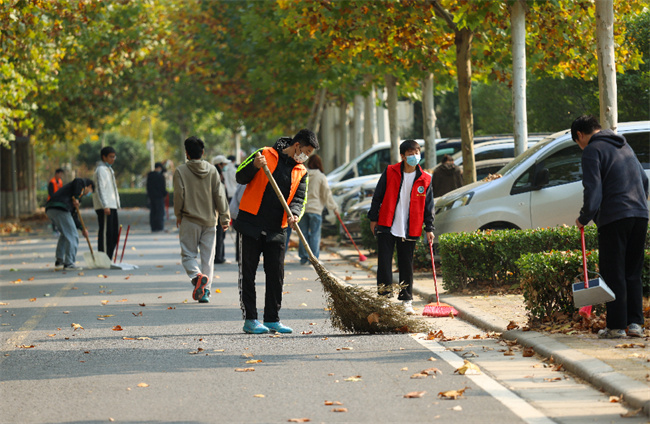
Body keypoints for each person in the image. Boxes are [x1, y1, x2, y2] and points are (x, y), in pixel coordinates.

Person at [572, 115, 649, 339]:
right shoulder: (624, 145)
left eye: (578, 142)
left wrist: (584, 217)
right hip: (640, 215)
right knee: (632, 272)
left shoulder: (591, 151)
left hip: (614, 217)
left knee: (613, 272)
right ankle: (635, 324)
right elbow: (644, 181)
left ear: (580, 135)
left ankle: (616, 327)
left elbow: (593, 189)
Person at [235, 129, 317, 334]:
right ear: (297, 145)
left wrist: (295, 215)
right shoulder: (264, 154)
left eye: (309, 154)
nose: (306, 157)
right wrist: (254, 166)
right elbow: (240, 176)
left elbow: (300, 199)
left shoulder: (301, 172)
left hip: (277, 229)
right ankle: (250, 319)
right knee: (248, 274)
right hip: (251, 224)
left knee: (276, 275)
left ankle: (272, 318)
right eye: (306, 151)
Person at [368, 139, 435, 315]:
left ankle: (407, 300)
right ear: (403, 156)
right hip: (387, 225)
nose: (415, 157)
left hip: (411, 227)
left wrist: (429, 228)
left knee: (406, 264)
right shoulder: (390, 171)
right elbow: (378, 195)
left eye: (417, 153)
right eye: (411, 154)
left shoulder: (425, 179)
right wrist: (373, 218)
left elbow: (429, 206)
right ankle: (384, 298)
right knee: (384, 263)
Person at [174, 136, 230, 303]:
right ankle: (205, 292)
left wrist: (178, 215)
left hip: (189, 220)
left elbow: (179, 196)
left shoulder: (180, 171)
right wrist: (224, 217)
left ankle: (197, 276)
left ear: (187, 153)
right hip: (210, 221)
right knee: (208, 258)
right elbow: (219, 194)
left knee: (188, 255)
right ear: (203, 152)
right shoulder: (212, 170)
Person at [45, 178, 94, 271]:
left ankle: (59, 260)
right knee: (73, 234)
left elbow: (73, 217)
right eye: (90, 191)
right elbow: (77, 181)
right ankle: (69, 263)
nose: (88, 194)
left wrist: (82, 228)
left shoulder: (77, 196)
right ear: (90, 186)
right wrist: (76, 198)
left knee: (65, 234)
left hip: (51, 209)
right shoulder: (81, 183)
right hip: (60, 208)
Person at [298, 154, 338, 265]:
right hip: (315, 209)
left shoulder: (303, 174)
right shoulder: (320, 176)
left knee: (303, 235)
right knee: (315, 235)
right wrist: (334, 208)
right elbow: (326, 194)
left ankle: (304, 258)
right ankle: (314, 259)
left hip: (303, 209)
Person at [92, 146, 121, 261]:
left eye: (114, 157)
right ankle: (103, 258)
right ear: (104, 157)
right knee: (106, 234)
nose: (113, 159)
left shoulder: (109, 170)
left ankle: (108, 257)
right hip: (105, 207)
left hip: (112, 205)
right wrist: (105, 205)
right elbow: (100, 188)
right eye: (110, 157)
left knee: (114, 234)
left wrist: (117, 203)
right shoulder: (100, 170)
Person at [212, 155, 230, 264]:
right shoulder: (216, 177)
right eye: (224, 164)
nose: (225, 167)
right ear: (219, 165)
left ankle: (220, 256)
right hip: (218, 211)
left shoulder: (219, 175)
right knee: (219, 235)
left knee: (220, 235)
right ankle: (218, 257)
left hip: (219, 210)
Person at [146, 162, 168, 232]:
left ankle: (153, 227)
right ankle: (159, 226)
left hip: (152, 197)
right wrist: (165, 194)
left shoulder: (150, 176)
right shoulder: (160, 176)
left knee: (153, 212)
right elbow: (162, 187)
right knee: (159, 212)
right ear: (159, 168)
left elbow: (148, 187)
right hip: (159, 197)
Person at [47, 168, 65, 233]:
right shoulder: (52, 182)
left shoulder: (60, 181)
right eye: (60, 174)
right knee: (54, 215)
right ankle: (54, 229)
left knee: (59, 215)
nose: (61, 175)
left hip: (58, 201)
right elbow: (50, 193)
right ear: (56, 174)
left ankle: (58, 228)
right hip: (52, 202)